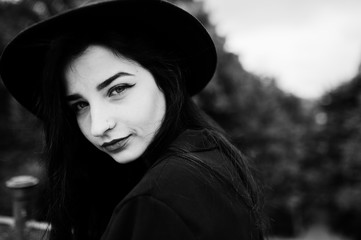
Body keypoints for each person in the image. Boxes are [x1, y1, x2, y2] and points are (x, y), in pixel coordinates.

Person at [0, 0, 267, 239]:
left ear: (166, 78)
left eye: (117, 89)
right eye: (81, 105)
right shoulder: (212, 155)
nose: (98, 126)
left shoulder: (156, 201)